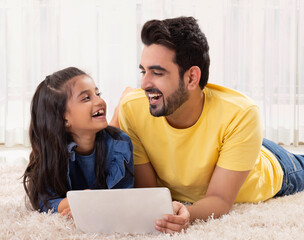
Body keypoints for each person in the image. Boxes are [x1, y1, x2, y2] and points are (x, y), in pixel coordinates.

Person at [112, 16, 304, 234]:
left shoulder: (242, 114)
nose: (144, 84)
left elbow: (220, 199)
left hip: (269, 166)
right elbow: (149, 192)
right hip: (229, 144)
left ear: (192, 77)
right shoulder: (132, 108)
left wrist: (188, 214)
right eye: (143, 71)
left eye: (157, 73)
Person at [23, 67, 134, 214]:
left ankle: (122, 105)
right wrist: (78, 200)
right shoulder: (51, 151)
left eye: (97, 93)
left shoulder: (121, 144)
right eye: (86, 98)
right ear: (63, 119)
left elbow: (124, 197)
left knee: (115, 130)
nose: (100, 101)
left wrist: (92, 201)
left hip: (111, 138)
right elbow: (45, 202)